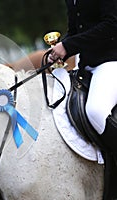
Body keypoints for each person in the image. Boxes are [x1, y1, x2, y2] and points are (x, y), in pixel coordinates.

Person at [48, 0, 117, 152]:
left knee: (96, 111)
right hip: (86, 65)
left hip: (111, 61)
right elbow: (75, 31)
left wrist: (67, 46)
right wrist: (57, 54)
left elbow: (112, 25)